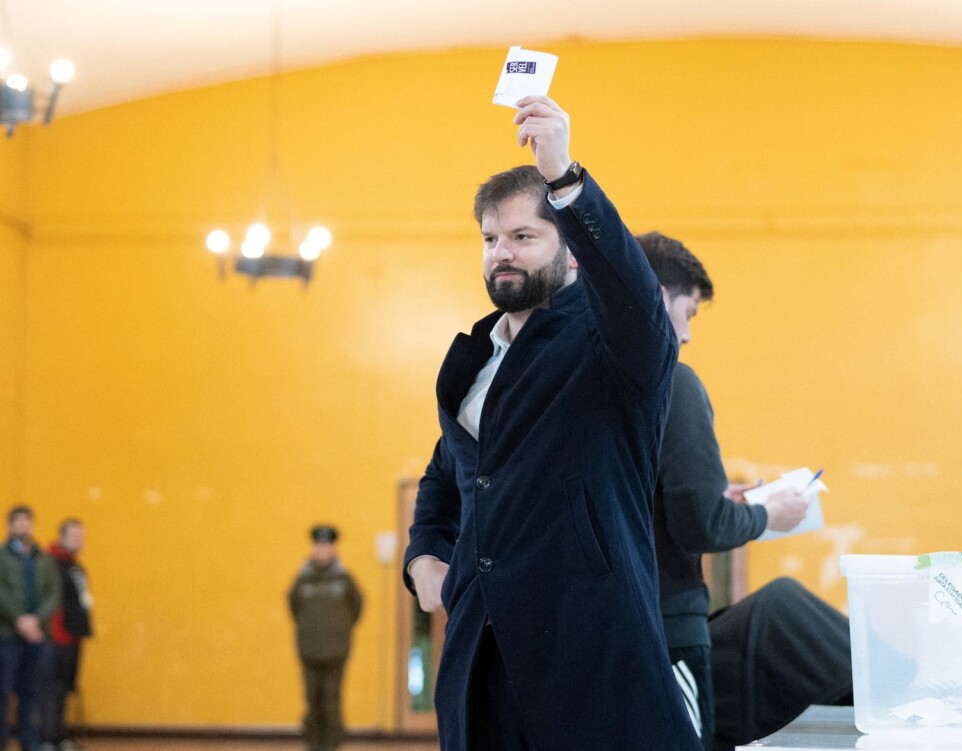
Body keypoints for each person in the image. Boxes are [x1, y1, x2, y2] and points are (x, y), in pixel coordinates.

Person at [403, 96, 700, 751]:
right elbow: (446, 475)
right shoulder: (477, 362)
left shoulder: (609, 344)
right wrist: (425, 551)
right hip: (481, 657)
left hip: (585, 653)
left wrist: (565, 177)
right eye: (490, 238)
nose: (501, 253)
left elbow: (633, 297)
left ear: (570, 255)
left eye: (522, 236)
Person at [638, 231, 852, 751]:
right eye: (688, 313)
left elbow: (649, 503)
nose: (686, 336)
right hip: (663, 628)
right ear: (658, 296)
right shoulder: (671, 383)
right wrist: (768, 514)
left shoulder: (583, 385)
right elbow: (701, 524)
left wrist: (715, 498)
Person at [288, 525, 363, 751]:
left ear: (333, 548)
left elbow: (357, 606)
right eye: (318, 546)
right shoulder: (302, 579)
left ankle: (331, 746)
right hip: (309, 649)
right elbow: (294, 606)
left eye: (327, 546)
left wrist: (341, 630)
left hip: (336, 650)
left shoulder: (344, 579)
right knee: (312, 702)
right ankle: (313, 745)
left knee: (331, 703)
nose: (322, 550)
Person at [0, 506, 60, 751]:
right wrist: (19, 620)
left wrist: (36, 620)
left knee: (31, 691)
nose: (23, 526)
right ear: (9, 526)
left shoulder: (44, 559)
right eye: (18, 521)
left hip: (37, 636)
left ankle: (30, 740)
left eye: (27, 521)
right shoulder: (2, 558)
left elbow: (53, 594)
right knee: (3, 691)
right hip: (7, 635)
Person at [39, 518, 93, 751]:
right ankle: (46, 739)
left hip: (74, 636)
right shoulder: (50, 563)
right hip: (56, 637)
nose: (78, 540)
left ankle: (59, 736)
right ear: (61, 536)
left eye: (81, 536)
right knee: (51, 689)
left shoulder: (76, 567)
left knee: (64, 688)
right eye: (73, 536)